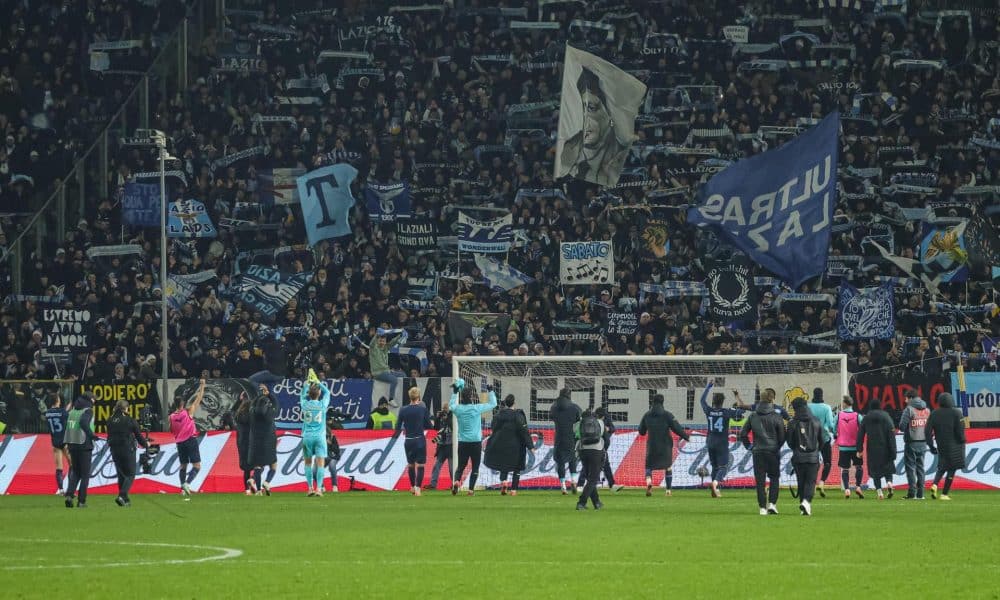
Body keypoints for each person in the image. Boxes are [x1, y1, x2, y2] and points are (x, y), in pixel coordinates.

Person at [558, 67, 631, 186]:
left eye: (591, 108)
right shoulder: (569, 153)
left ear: (611, 113)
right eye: (582, 110)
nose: (584, 119)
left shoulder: (626, 155)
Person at [739, 388, 785, 515]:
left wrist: (750, 447)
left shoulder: (753, 416)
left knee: (760, 480)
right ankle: (772, 504)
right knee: (774, 478)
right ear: (772, 399)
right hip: (773, 452)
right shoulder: (777, 416)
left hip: (758, 452)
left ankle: (762, 508)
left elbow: (743, 434)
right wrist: (776, 447)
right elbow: (782, 436)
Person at [449, 378, 497, 496]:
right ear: (471, 397)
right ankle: (470, 490)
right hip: (475, 442)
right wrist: (490, 391)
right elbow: (493, 404)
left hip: (463, 442)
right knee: (475, 466)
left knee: (461, 465)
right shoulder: (476, 408)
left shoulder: (458, 409)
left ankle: (456, 481)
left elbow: (451, 406)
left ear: (461, 397)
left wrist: (455, 392)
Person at [638, 393, 690, 497]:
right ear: (662, 402)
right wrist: (686, 437)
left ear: (652, 402)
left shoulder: (647, 415)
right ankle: (668, 491)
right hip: (665, 445)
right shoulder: (667, 415)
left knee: (648, 467)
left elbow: (641, 431)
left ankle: (649, 482)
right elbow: (676, 428)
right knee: (668, 467)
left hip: (652, 446)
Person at [699, 383, 747, 497]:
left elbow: (701, 400)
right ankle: (715, 484)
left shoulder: (709, 410)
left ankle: (715, 490)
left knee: (715, 467)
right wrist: (736, 395)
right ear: (723, 401)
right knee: (723, 467)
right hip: (721, 443)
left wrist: (708, 387)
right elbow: (743, 410)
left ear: (713, 401)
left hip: (710, 442)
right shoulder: (727, 412)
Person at [484, 394, 533, 496]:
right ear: (514, 403)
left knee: (503, 466)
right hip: (516, 446)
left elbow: (493, 428)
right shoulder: (518, 415)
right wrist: (530, 446)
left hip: (501, 444)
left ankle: (504, 482)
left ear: (505, 403)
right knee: (517, 467)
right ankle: (513, 490)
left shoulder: (498, 415)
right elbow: (524, 431)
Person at [106, 399, 149, 507]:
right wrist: (146, 444)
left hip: (114, 450)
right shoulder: (130, 420)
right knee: (130, 474)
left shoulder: (110, 420)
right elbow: (138, 436)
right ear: (125, 408)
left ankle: (125, 500)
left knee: (121, 475)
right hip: (127, 449)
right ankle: (122, 495)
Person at [786, 397, 823, 516]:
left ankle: (804, 505)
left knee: (801, 482)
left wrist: (797, 449)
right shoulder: (816, 421)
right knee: (810, 482)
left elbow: (790, 441)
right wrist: (816, 450)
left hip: (798, 457)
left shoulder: (792, 423)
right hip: (813, 457)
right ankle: (806, 503)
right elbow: (822, 440)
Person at [393, 386, 434, 495]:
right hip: (419, 440)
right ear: (418, 396)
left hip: (408, 440)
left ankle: (412, 486)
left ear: (409, 396)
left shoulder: (403, 409)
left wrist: (394, 437)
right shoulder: (422, 409)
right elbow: (429, 425)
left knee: (411, 465)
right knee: (420, 465)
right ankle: (418, 488)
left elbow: (397, 426)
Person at [169, 378, 206, 497]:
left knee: (183, 465)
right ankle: (187, 484)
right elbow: (198, 399)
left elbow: (172, 430)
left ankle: (182, 489)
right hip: (190, 440)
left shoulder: (172, 416)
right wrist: (202, 386)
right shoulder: (188, 411)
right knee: (197, 466)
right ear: (183, 403)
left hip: (179, 443)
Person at [926, 392, 966, 501]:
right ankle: (944, 494)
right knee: (952, 468)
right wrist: (962, 440)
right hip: (955, 444)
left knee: (942, 466)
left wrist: (931, 446)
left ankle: (934, 484)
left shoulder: (934, 413)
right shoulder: (957, 413)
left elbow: (927, 431)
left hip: (941, 445)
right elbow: (960, 430)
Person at [857, 397, 897, 499]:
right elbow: (891, 433)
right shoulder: (886, 416)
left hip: (872, 448)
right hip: (886, 447)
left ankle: (879, 492)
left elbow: (860, 434)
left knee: (875, 472)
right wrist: (893, 450)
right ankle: (889, 483)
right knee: (888, 468)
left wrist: (859, 449)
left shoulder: (866, 417)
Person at [63, 393, 98, 508]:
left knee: (76, 472)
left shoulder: (73, 411)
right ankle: (81, 501)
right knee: (85, 475)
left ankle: (69, 495)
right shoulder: (88, 411)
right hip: (84, 445)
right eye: (94, 400)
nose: (94, 402)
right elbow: (83, 423)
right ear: (90, 400)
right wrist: (92, 435)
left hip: (72, 444)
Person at [300, 377, 333, 497]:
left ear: (310, 394)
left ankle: (310, 488)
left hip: (307, 437)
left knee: (308, 464)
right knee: (320, 464)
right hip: (320, 437)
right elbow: (328, 392)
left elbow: (302, 395)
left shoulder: (305, 405)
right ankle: (319, 489)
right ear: (319, 393)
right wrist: (319, 383)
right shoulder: (322, 405)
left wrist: (306, 386)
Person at [577, 406, 622, 492]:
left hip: (586, 448)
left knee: (589, 465)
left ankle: (580, 485)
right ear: (603, 417)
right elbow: (606, 439)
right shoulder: (600, 423)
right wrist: (604, 449)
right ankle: (611, 485)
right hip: (598, 448)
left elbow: (577, 435)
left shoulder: (585, 422)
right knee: (603, 465)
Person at [899, 389, 930, 499]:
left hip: (911, 442)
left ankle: (912, 493)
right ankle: (921, 494)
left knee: (910, 469)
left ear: (911, 398)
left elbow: (902, 426)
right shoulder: (927, 410)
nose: (905, 400)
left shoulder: (909, 409)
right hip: (923, 442)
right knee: (921, 468)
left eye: (906, 398)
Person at [550, 388, 582, 494]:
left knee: (560, 462)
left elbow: (551, 417)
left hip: (559, 437)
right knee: (572, 459)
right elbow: (579, 419)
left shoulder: (554, 407)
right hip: (571, 437)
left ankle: (563, 486)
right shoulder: (575, 407)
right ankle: (573, 481)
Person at [249, 383, 279, 495]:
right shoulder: (270, 413)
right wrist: (269, 394)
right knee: (273, 464)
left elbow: (253, 403)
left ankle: (257, 489)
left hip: (255, 441)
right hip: (269, 441)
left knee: (258, 465)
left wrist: (258, 396)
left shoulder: (252, 411)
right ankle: (267, 482)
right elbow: (276, 404)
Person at [807, 387, 836, 498]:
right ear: (822, 395)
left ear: (813, 394)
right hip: (824, 438)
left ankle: (812, 484)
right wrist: (835, 432)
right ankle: (822, 483)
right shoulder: (826, 407)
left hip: (810, 438)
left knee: (813, 463)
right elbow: (830, 424)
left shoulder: (808, 407)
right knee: (827, 462)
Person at [575, 409, 606, 510]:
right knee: (593, 479)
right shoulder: (600, 422)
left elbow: (575, 436)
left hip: (583, 450)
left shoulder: (579, 424)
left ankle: (596, 502)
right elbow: (606, 438)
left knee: (589, 478)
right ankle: (581, 502)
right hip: (597, 451)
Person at [835, 395, 865, 499]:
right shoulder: (857, 416)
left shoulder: (839, 415)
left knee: (845, 469)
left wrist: (837, 435)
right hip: (855, 447)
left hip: (843, 447)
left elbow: (832, 427)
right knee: (859, 467)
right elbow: (862, 429)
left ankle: (847, 489)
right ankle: (858, 487)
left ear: (845, 404)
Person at [368, 328, 406, 404]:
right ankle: (391, 399)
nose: (382, 341)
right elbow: (371, 344)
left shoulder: (385, 348)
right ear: (377, 341)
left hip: (387, 372)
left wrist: (400, 335)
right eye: (380, 340)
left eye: (383, 340)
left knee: (403, 374)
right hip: (378, 373)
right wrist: (377, 335)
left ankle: (403, 396)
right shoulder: (373, 349)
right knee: (394, 380)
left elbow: (392, 342)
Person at [43, 395, 70, 494]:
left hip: (55, 441)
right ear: (58, 400)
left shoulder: (47, 413)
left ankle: (61, 489)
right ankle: (70, 488)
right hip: (64, 440)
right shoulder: (63, 412)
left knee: (59, 466)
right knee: (72, 464)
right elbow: (65, 415)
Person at [429, 406, 452, 490]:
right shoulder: (441, 419)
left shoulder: (453, 419)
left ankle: (454, 484)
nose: (444, 411)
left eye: (446, 410)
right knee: (436, 466)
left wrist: (448, 417)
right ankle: (433, 484)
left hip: (450, 446)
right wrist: (438, 418)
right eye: (443, 409)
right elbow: (435, 428)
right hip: (442, 446)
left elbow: (452, 426)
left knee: (451, 468)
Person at [326, 424, 342, 493]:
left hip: (333, 456)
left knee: (332, 466)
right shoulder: (319, 438)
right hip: (324, 457)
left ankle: (334, 486)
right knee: (316, 469)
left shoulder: (332, 437)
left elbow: (337, 450)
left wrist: (330, 444)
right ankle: (321, 487)